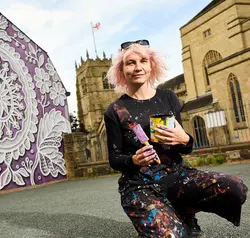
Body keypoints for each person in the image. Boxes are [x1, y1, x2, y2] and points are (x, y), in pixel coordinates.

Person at [104, 40, 248, 238]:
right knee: (172, 235)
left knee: (235, 188)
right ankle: (158, 219)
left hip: (177, 176)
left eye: (143, 61)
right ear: (121, 69)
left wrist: (185, 139)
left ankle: (185, 211)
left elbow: (185, 148)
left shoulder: (168, 98)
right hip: (140, 184)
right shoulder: (115, 110)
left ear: (151, 64)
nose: (138, 67)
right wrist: (133, 160)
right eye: (131, 62)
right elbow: (114, 159)